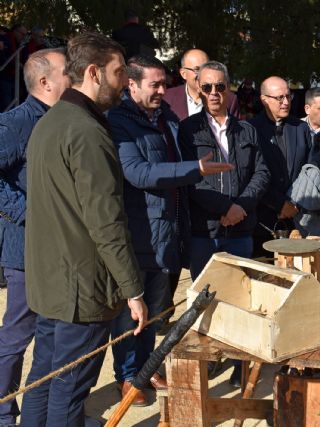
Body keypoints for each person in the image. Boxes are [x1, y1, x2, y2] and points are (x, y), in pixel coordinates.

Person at [20, 32, 148, 426]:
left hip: (54, 283)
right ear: (93, 72)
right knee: (68, 389)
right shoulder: (85, 130)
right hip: (79, 290)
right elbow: (105, 220)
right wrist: (134, 290)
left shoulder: (54, 120)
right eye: (118, 72)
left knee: (46, 378)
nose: (125, 81)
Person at [106, 54, 233, 406]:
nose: (163, 90)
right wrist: (196, 168)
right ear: (131, 85)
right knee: (132, 313)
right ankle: (128, 376)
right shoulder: (119, 122)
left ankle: (148, 368)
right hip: (140, 232)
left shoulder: (166, 117)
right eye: (155, 84)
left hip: (171, 230)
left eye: (164, 83)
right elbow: (138, 172)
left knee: (159, 308)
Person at [178, 60, 269, 387]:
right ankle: (207, 366)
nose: (214, 93)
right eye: (207, 87)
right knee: (204, 302)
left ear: (229, 89)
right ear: (198, 89)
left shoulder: (247, 130)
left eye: (220, 86)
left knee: (242, 301)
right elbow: (191, 180)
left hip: (241, 230)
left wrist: (240, 207)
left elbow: (261, 172)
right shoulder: (188, 130)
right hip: (206, 232)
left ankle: (239, 365)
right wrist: (224, 207)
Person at [0, 47, 69, 427]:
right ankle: (4, 411)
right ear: (44, 82)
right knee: (18, 334)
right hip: (25, 250)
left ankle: (41, 411)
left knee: (53, 337)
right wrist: (28, 214)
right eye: (65, 71)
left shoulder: (62, 120)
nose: (73, 76)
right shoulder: (16, 123)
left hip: (58, 250)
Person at [249, 76, 310, 257]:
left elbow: (309, 168)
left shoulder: (301, 128)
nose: (285, 102)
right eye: (279, 98)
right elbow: (250, 174)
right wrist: (279, 204)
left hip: (296, 219)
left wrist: (295, 203)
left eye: (288, 96)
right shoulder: (249, 130)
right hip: (262, 221)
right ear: (264, 99)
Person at [164, 49, 239, 121]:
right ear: (183, 74)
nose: (202, 74)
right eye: (197, 69)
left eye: (206, 68)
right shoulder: (167, 98)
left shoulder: (229, 100)